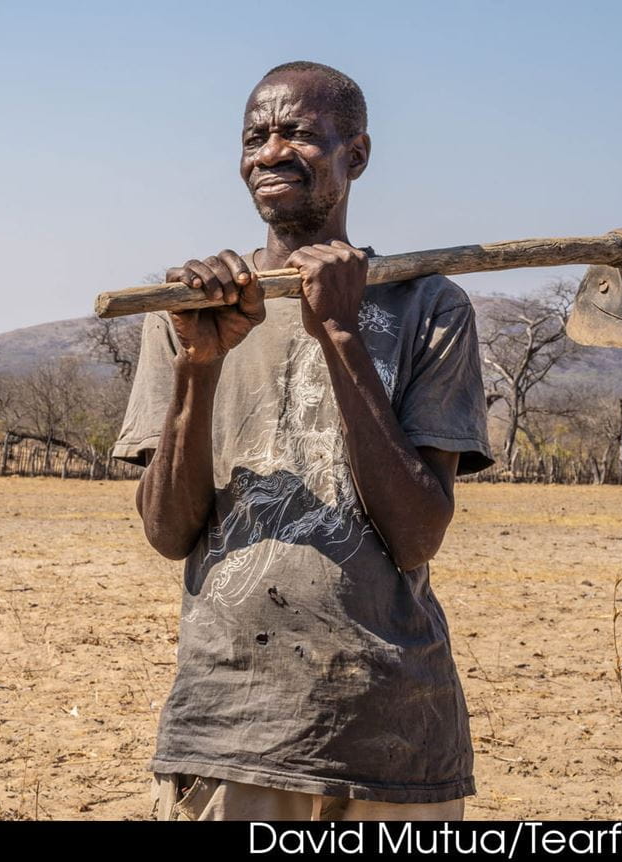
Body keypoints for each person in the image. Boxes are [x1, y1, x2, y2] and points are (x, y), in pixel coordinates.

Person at [111, 61, 494, 821]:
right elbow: (166, 531)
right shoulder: (186, 313)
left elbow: (416, 534)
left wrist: (342, 334)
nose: (271, 151)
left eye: (299, 133)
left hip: (390, 733)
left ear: (356, 155)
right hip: (227, 724)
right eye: (255, 135)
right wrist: (199, 363)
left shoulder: (428, 306)